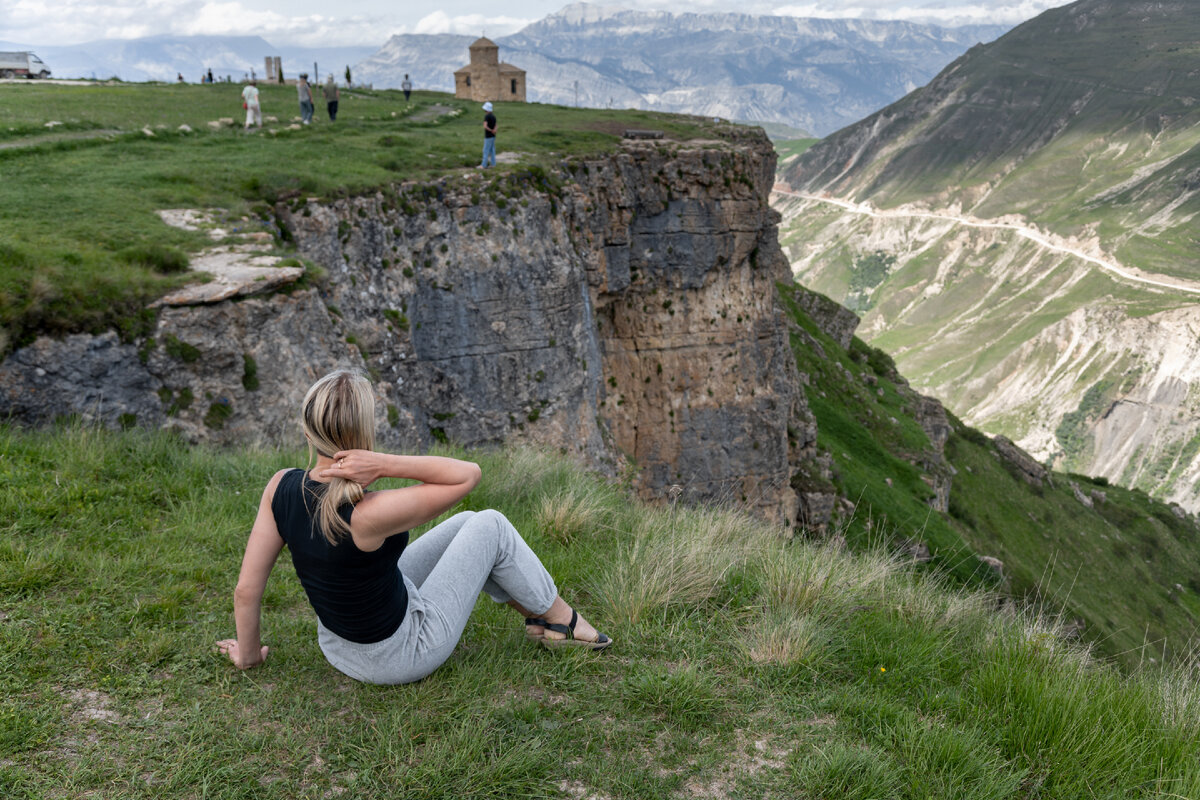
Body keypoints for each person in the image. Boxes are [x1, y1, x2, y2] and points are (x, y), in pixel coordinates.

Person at [216, 370, 610, 685]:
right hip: (398, 656)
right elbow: (467, 475)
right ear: (365, 438)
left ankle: (535, 613)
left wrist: (248, 656)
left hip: (336, 644)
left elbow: (246, 590)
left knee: (468, 524)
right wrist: (384, 464)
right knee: (491, 525)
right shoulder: (367, 512)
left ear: (307, 432)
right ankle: (563, 621)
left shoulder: (280, 485)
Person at [480, 101, 497, 168]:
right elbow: (496, 125)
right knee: (492, 150)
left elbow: (485, 126)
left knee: (485, 150)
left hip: (488, 136)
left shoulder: (487, 116)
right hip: (493, 135)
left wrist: (490, 130)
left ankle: (483, 165)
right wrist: (494, 130)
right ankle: (493, 164)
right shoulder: (493, 116)